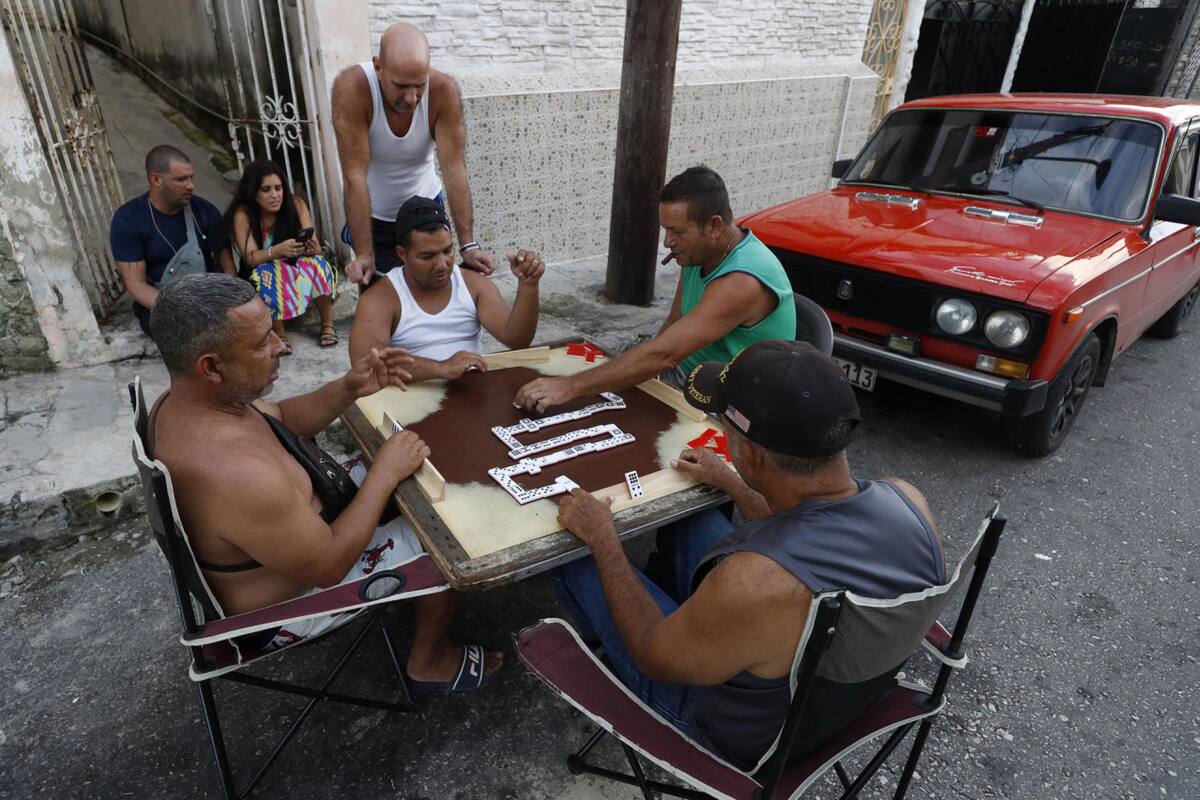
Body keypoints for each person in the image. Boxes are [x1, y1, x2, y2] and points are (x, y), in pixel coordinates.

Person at [552, 340, 946, 770]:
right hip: (840, 696)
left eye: (726, 429)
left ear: (752, 454)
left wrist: (605, 541)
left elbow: (651, 652)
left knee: (577, 558)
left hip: (740, 739)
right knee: (692, 522)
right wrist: (736, 484)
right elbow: (809, 523)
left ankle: (604, 656)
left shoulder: (755, 582)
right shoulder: (909, 501)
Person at [146, 274, 501, 691]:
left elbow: (279, 419)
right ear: (211, 366)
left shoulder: (191, 402)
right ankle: (429, 659)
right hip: (292, 606)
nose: (282, 346)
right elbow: (331, 565)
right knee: (448, 529)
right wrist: (385, 472)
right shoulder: (233, 471)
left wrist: (348, 387)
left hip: (297, 539)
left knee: (416, 470)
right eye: (262, 343)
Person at [514, 166, 795, 413]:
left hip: (732, 404)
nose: (667, 242)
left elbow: (664, 354)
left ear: (714, 226)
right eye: (665, 230)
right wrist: (649, 377)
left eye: (677, 232)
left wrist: (569, 387)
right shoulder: (702, 251)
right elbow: (674, 323)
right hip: (684, 375)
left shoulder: (741, 281)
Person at [333, 22, 493, 285]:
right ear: (378, 67)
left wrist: (468, 245)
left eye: (419, 86)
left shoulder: (443, 90)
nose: (411, 98)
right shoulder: (353, 88)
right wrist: (363, 252)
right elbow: (354, 175)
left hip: (427, 212)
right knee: (382, 302)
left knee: (435, 294)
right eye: (401, 86)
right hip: (376, 220)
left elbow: (454, 168)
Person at [348, 196, 544, 379]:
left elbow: (517, 339)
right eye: (428, 256)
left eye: (447, 251)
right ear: (402, 254)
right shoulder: (381, 297)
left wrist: (529, 286)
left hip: (471, 394)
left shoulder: (473, 284)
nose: (442, 264)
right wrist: (440, 368)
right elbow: (365, 363)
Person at [110, 145, 235, 335]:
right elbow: (136, 285)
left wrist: (219, 302)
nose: (190, 185)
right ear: (155, 179)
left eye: (191, 178)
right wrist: (182, 309)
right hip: (161, 303)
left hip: (207, 296)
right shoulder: (129, 220)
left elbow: (229, 269)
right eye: (181, 179)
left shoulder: (205, 212)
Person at [223, 160, 339, 353]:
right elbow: (249, 258)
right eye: (266, 190)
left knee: (319, 264)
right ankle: (279, 333)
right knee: (267, 272)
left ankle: (328, 325)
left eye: (278, 188)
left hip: (294, 266)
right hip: (260, 273)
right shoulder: (243, 214)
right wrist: (276, 251)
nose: (275, 195)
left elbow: (317, 248)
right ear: (253, 193)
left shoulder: (296, 205)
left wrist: (311, 248)